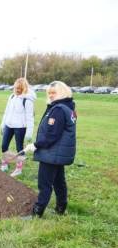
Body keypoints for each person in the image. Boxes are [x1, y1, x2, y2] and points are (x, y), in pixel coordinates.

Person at [24, 81, 77, 217]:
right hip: (57, 154)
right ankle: (61, 208)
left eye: (54, 92)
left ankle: (37, 212)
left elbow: (52, 135)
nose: (51, 95)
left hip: (51, 153)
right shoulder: (67, 107)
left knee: (44, 183)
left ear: (63, 92)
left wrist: (35, 145)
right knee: (59, 181)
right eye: (49, 93)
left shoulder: (59, 109)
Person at [0, 77, 36, 177]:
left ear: (24, 88)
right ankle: (5, 163)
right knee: (4, 145)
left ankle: (18, 169)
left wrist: (29, 133)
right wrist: (3, 124)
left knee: (19, 148)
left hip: (20, 127)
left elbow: (30, 117)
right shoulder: (11, 97)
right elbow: (6, 112)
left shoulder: (27, 100)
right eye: (16, 88)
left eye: (19, 89)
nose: (17, 90)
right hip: (9, 125)